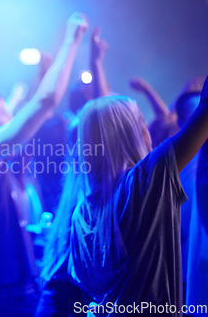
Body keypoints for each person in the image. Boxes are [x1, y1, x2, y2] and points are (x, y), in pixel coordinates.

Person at [0, 13, 88, 316]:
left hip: (12, 289)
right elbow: (46, 102)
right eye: (4, 114)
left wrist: (19, 92)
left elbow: (29, 106)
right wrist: (71, 40)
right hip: (3, 297)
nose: (12, 122)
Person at [69, 75, 208, 316]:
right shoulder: (145, 180)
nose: (149, 131)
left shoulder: (80, 213)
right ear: (130, 134)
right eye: (141, 122)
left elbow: (85, 286)